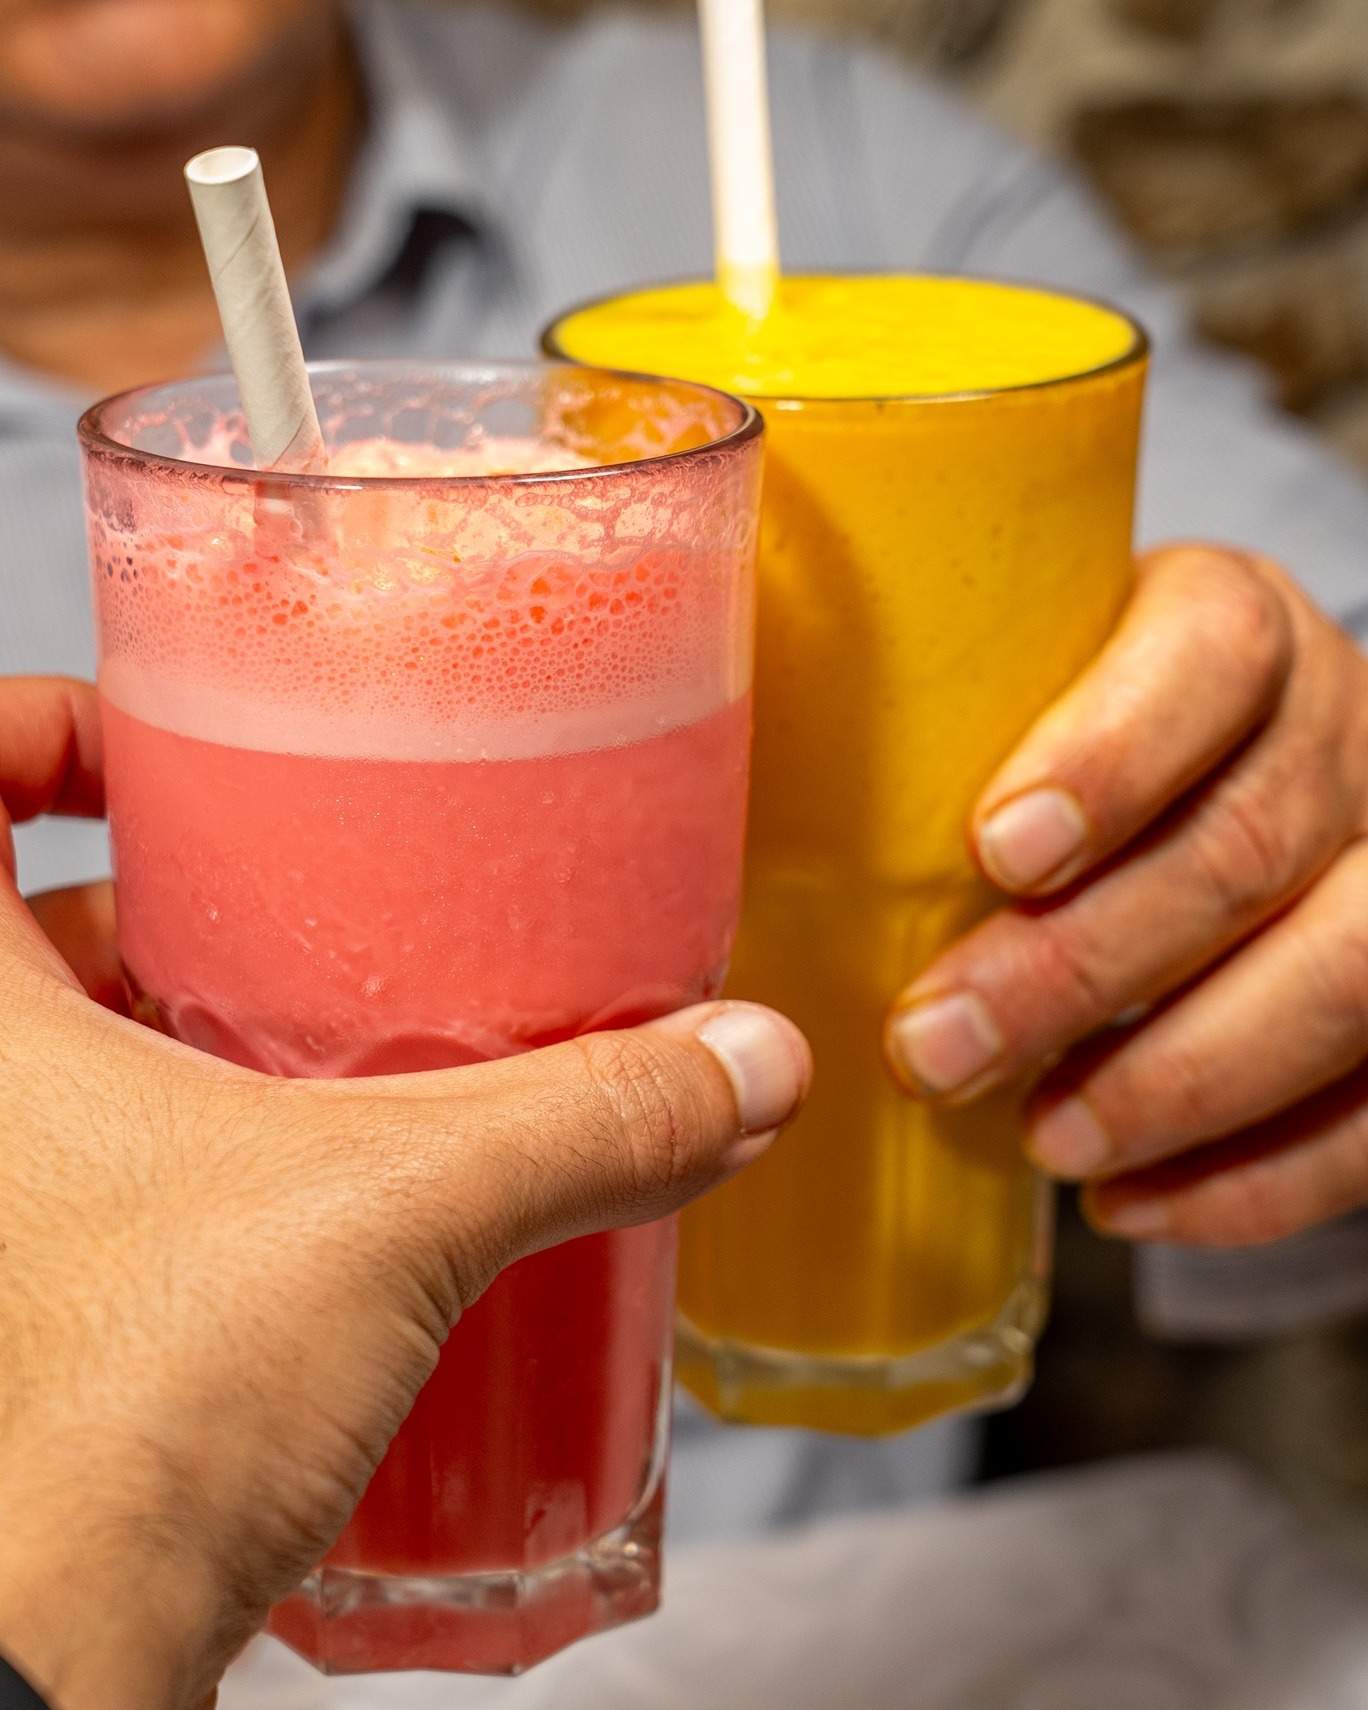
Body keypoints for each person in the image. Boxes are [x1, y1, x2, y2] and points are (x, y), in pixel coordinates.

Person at [3, 0, 1368, 1689]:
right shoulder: (167, 508)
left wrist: (1301, 770)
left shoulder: (844, 164)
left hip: (848, 1629)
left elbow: (1321, 625)